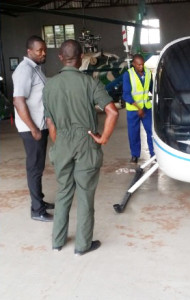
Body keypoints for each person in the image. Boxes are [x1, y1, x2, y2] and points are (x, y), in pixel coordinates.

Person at [43, 39, 119, 256]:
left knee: (63, 192)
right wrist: (103, 138)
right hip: (86, 142)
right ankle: (82, 246)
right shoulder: (90, 83)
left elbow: (50, 122)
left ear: (60, 57)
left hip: (62, 143)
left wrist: (60, 144)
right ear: (81, 58)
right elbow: (112, 112)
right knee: (85, 195)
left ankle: (57, 242)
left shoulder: (50, 86)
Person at [12, 35, 54, 222]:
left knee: (38, 166)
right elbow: (18, 101)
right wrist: (34, 129)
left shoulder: (35, 68)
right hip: (32, 129)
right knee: (34, 168)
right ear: (29, 51)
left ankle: (40, 202)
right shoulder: (24, 70)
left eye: (44, 49)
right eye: (39, 50)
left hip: (39, 126)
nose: (43, 53)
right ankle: (37, 210)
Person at [122, 54, 155, 164]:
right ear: (133, 64)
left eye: (142, 64)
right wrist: (138, 108)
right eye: (139, 65)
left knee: (151, 132)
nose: (141, 66)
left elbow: (152, 89)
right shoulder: (128, 75)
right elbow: (126, 95)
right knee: (134, 133)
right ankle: (135, 155)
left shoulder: (148, 73)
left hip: (146, 108)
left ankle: (153, 154)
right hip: (133, 110)